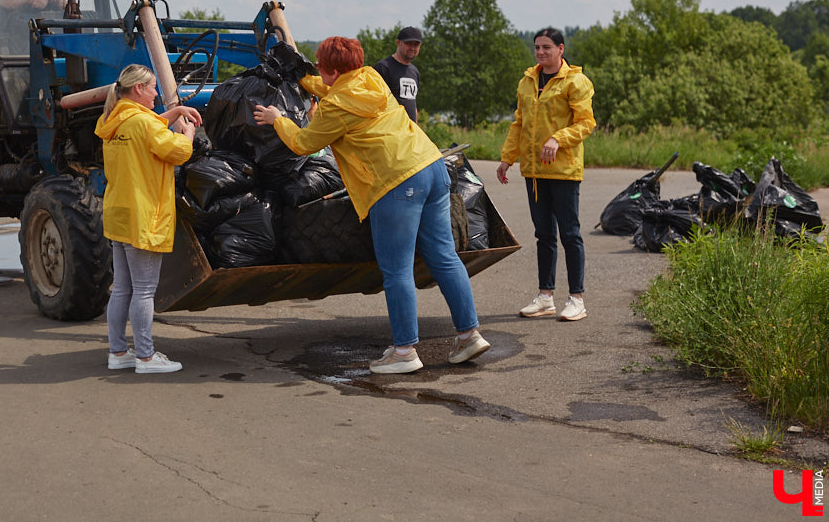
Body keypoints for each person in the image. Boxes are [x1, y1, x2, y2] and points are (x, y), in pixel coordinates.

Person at [253, 38, 489, 374]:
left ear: (334, 71)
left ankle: (404, 352)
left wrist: (277, 118)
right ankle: (469, 336)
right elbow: (333, 87)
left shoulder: (335, 108)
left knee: (397, 270)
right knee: (444, 256)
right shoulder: (371, 77)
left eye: (321, 66)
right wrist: (305, 79)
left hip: (396, 181)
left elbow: (303, 143)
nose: (319, 70)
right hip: (431, 167)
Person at [95, 64, 202, 374]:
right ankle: (145, 357)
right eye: (153, 87)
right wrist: (189, 134)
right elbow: (178, 152)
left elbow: (147, 125)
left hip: (119, 213)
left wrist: (174, 111)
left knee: (122, 289)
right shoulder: (142, 123)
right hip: (143, 215)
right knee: (143, 290)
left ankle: (118, 352)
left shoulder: (112, 120)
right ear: (139, 88)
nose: (157, 93)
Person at [496, 27, 595, 322]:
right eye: (537, 47)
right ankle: (545, 297)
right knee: (544, 235)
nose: (540, 52)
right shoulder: (527, 81)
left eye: (547, 47)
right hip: (534, 171)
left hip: (564, 170)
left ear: (561, 49)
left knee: (570, 234)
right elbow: (519, 123)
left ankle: (577, 299)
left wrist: (558, 138)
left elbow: (586, 123)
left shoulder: (576, 81)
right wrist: (507, 158)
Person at [373, 26, 422, 122]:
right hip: (390, 127)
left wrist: (415, 126)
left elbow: (413, 103)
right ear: (398, 43)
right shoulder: (383, 68)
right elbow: (374, 102)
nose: (412, 48)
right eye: (409, 44)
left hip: (408, 129)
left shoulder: (414, 71)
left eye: (416, 45)